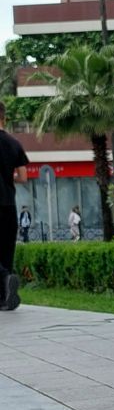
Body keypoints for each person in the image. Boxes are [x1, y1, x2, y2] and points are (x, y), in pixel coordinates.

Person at [0, 99, 28, 312]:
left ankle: (5, 281)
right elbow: (23, 177)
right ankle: (5, 295)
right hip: (8, 203)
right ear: (4, 117)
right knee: (6, 250)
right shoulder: (14, 143)